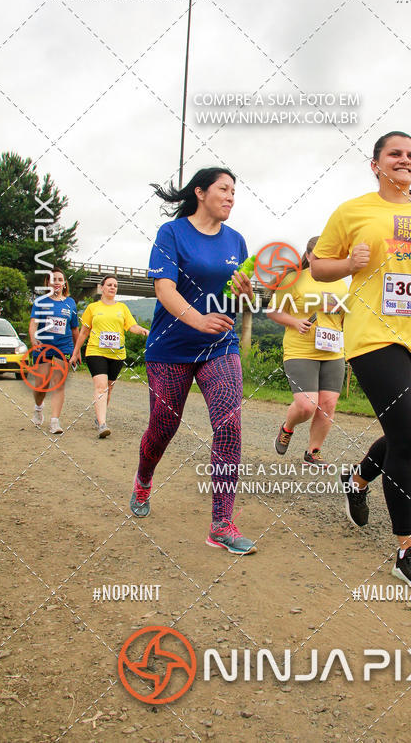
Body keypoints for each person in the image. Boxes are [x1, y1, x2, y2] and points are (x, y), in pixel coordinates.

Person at [312, 131, 411, 588]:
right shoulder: (353, 210)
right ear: (375, 163)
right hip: (373, 334)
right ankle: (406, 549)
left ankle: (357, 478)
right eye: (395, 154)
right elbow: (319, 266)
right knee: (406, 433)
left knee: (405, 438)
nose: (405, 160)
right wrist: (348, 265)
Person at [129, 166, 257, 556]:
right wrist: (196, 319)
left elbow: (241, 303)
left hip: (219, 345)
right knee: (163, 426)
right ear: (200, 192)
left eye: (235, 191)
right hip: (171, 348)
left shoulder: (236, 241)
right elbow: (163, 287)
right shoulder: (172, 234)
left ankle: (221, 524)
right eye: (224, 189)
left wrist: (247, 293)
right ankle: (144, 477)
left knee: (229, 423)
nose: (231, 196)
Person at [268, 236, 348, 467]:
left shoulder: (340, 282)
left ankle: (313, 452)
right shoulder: (293, 279)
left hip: (333, 352)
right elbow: (273, 311)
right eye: (319, 256)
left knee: (329, 403)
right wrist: (294, 322)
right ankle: (287, 428)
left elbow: (343, 317)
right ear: (309, 256)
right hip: (300, 350)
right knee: (306, 404)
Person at [70, 276, 148, 438]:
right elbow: (84, 332)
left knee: (109, 388)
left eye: (115, 286)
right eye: (109, 285)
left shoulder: (122, 308)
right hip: (95, 352)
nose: (113, 287)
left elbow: (131, 326)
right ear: (102, 288)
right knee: (101, 386)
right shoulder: (92, 308)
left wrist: (142, 330)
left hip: (117, 354)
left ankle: (99, 417)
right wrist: (76, 351)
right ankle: (102, 423)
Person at [28, 267, 79, 434]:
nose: (56, 282)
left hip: (63, 347)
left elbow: (74, 329)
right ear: (47, 282)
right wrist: (33, 339)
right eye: (53, 279)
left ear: (64, 283)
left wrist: (77, 350)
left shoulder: (70, 303)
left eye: (59, 279)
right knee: (41, 386)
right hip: (43, 347)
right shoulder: (40, 301)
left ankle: (55, 422)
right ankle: (38, 408)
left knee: (58, 384)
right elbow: (33, 323)